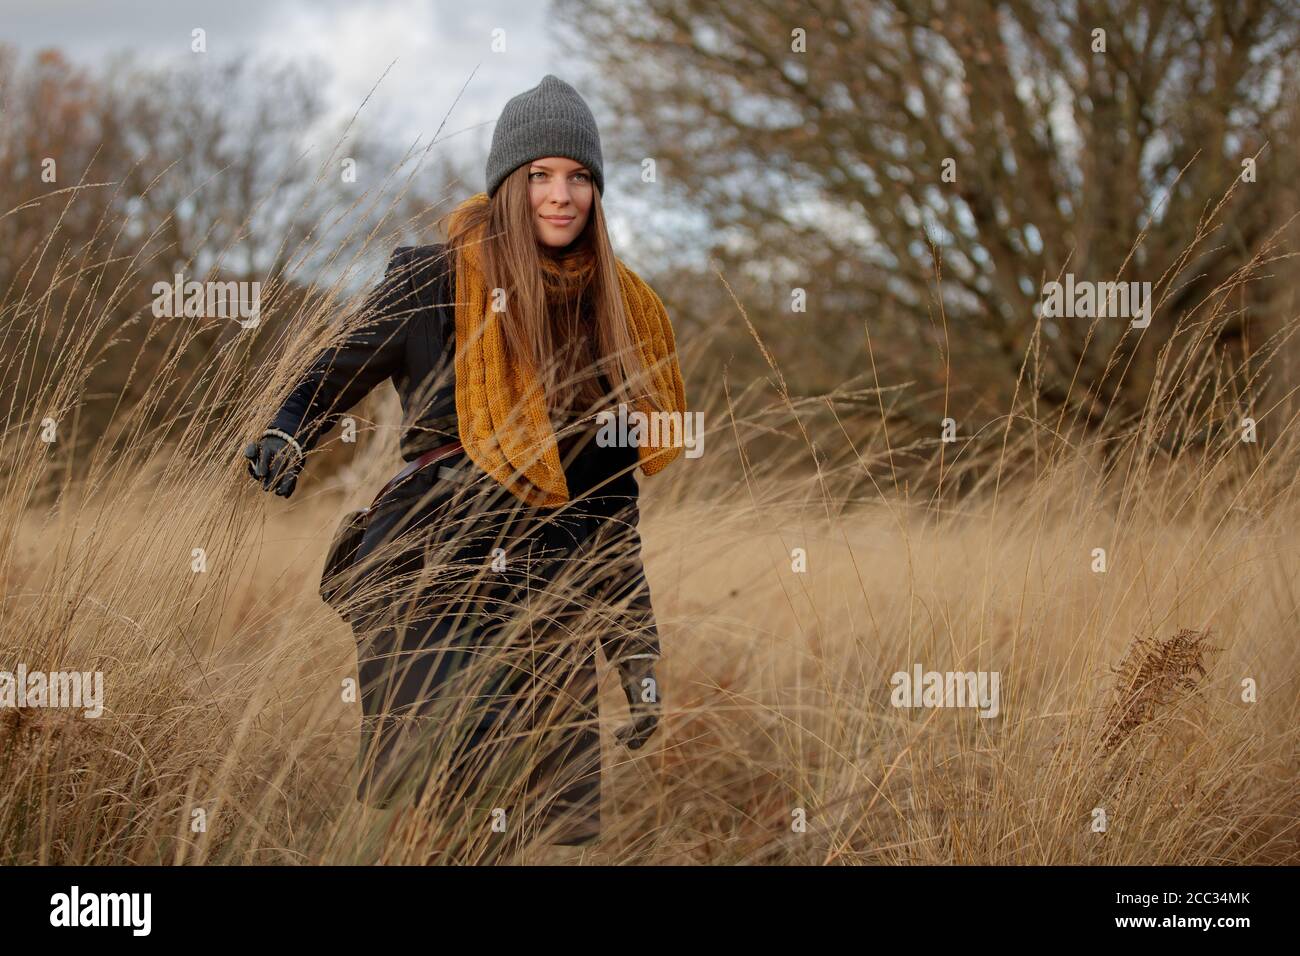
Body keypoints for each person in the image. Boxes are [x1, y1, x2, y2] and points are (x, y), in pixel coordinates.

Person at [242, 75, 687, 848]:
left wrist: (636, 657)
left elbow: (612, 519)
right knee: (446, 797)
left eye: (580, 177)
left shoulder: (617, 320)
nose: (561, 195)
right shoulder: (434, 279)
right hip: (432, 567)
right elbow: (331, 372)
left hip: (549, 588)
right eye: (540, 176)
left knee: (509, 825)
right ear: (509, 186)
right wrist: (287, 431)